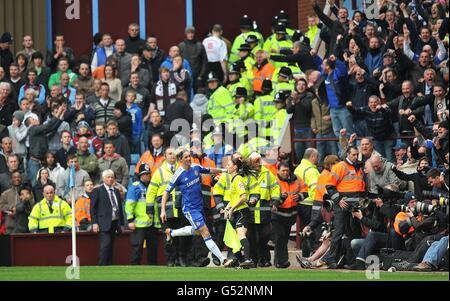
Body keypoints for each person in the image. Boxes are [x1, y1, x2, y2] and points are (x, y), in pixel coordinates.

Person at [160, 149, 233, 267]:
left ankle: (171, 233)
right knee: (205, 232)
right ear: (180, 160)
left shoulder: (195, 167)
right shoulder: (178, 175)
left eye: (189, 156)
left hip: (200, 207)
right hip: (189, 209)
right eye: (186, 157)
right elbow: (166, 192)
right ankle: (223, 260)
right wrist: (163, 210)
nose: (189, 159)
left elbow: (210, 170)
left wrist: (225, 170)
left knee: (198, 231)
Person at [320, 146, 365, 268]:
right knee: (338, 232)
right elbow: (329, 186)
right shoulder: (340, 166)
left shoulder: (359, 168)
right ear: (347, 155)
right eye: (353, 155)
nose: (356, 157)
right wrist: (338, 200)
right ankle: (331, 258)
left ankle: (350, 261)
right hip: (343, 205)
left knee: (354, 233)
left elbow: (360, 187)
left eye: (357, 154)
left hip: (355, 205)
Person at [273, 162, 307, 268]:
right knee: (280, 238)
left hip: (290, 214)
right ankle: (281, 261)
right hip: (277, 214)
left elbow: (306, 190)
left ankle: (280, 261)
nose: (285, 172)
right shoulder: (274, 180)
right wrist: (280, 199)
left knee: (284, 238)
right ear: (278, 171)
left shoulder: (297, 179)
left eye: (287, 170)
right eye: (283, 170)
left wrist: (300, 196)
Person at [90, 169, 125, 265]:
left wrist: (121, 224)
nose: (110, 179)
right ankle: (101, 266)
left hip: (115, 222)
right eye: (108, 177)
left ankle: (109, 266)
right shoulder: (97, 190)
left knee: (111, 246)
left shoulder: (116, 191)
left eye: (112, 177)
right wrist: (94, 223)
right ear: (103, 178)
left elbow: (119, 208)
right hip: (103, 223)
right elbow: (92, 208)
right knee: (105, 245)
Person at [125, 164, 157, 265]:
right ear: (140, 176)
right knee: (137, 247)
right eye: (145, 174)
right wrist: (130, 220)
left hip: (152, 223)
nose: (147, 176)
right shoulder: (135, 187)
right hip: (139, 224)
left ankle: (153, 268)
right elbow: (129, 204)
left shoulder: (153, 186)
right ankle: (135, 267)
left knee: (153, 247)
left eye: (148, 174)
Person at [26, 105, 65, 186]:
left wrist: (61, 115)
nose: (36, 119)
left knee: (45, 183)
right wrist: (58, 113)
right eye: (33, 119)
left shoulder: (39, 131)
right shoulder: (33, 129)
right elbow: (48, 126)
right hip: (34, 162)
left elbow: (52, 128)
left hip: (42, 161)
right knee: (35, 183)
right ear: (30, 123)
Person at [294, 148, 321, 256]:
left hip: (301, 203)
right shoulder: (311, 171)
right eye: (317, 157)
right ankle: (314, 256)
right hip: (311, 204)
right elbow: (315, 190)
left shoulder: (298, 168)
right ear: (312, 157)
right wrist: (319, 203)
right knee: (314, 231)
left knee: (306, 231)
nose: (318, 159)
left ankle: (305, 255)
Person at [178, 26, 207, 92]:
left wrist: (200, 76)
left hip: (197, 77)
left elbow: (204, 62)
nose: (190, 35)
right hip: (185, 77)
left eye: (192, 33)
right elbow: (177, 62)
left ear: (194, 33)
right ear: (186, 34)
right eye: (188, 33)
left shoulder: (200, 45)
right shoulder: (181, 46)